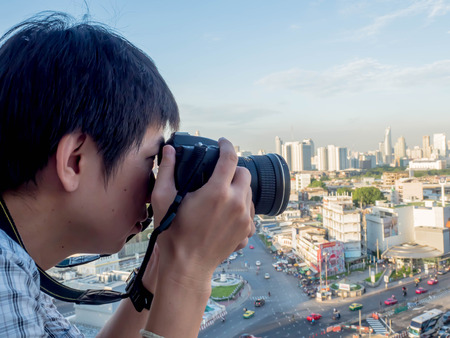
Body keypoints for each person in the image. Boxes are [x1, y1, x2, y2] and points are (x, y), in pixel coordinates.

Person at [0, 12, 254, 338]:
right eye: (151, 162)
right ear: (75, 162)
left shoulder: (18, 268)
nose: (155, 191)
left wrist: (157, 274)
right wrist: (189, 272)